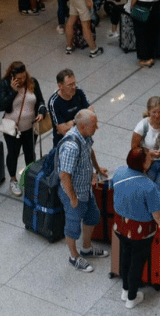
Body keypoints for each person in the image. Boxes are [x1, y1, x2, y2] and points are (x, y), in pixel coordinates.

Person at [112, 147, 160, 308]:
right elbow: (157, 215)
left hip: (120, 226)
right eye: (148, 158)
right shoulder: (149, 187)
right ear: (143, 165)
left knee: (125, 255)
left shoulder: (119, 172)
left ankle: (125, 289)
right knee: (137, 263)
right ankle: (132, 297)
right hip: (141, 232)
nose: (150, 160)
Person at [57, 109, 109, 272]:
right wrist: (72, 198)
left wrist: (97, 168)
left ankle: (86, 248)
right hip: (74, 193)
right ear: (82, 126)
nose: (97, 128)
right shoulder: (71, 146)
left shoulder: (85, 137)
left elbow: (89, 151)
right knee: (72, 227)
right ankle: (74, 256)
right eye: (94, 125)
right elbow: (64, 174)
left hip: (85, 189)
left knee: (93, 216)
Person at [0, 61, 46, 196]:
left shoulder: (32, 82)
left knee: (30, 153)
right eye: (19, 78)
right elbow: (2, 106)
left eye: (24, 77)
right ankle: (13, 179)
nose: (22, 80)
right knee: (13, 153)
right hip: (13, 128)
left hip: (30, 127)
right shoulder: (5, 84)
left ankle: (30, 179)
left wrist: (42, 111)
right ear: (12, 76)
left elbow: (40, 100)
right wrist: (13, 91)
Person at [47, 68, 92, 147]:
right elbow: (63, 130)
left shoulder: (79, 92)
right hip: (65, 144)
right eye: (70, 85)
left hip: (84, 139)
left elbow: (91, 115)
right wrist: (81, 119)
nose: (74, 87)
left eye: (74, 83)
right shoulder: (54, 102)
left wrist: (72, 122)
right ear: (60, 86)